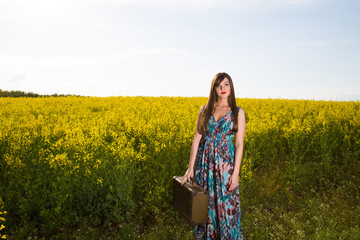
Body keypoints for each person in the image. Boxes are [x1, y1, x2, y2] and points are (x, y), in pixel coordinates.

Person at [181, 72, 246, 239]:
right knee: (205, 206)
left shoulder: (238, 112)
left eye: (226, 84)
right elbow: (196, 140)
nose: (222, 88)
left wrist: (236, 173)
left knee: (226, 206)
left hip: (226, 167)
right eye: (218, 85)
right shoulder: (204, 109)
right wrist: (190, 168)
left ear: (231, 87)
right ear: (213, 89)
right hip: (204, 165)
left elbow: (239, 144)